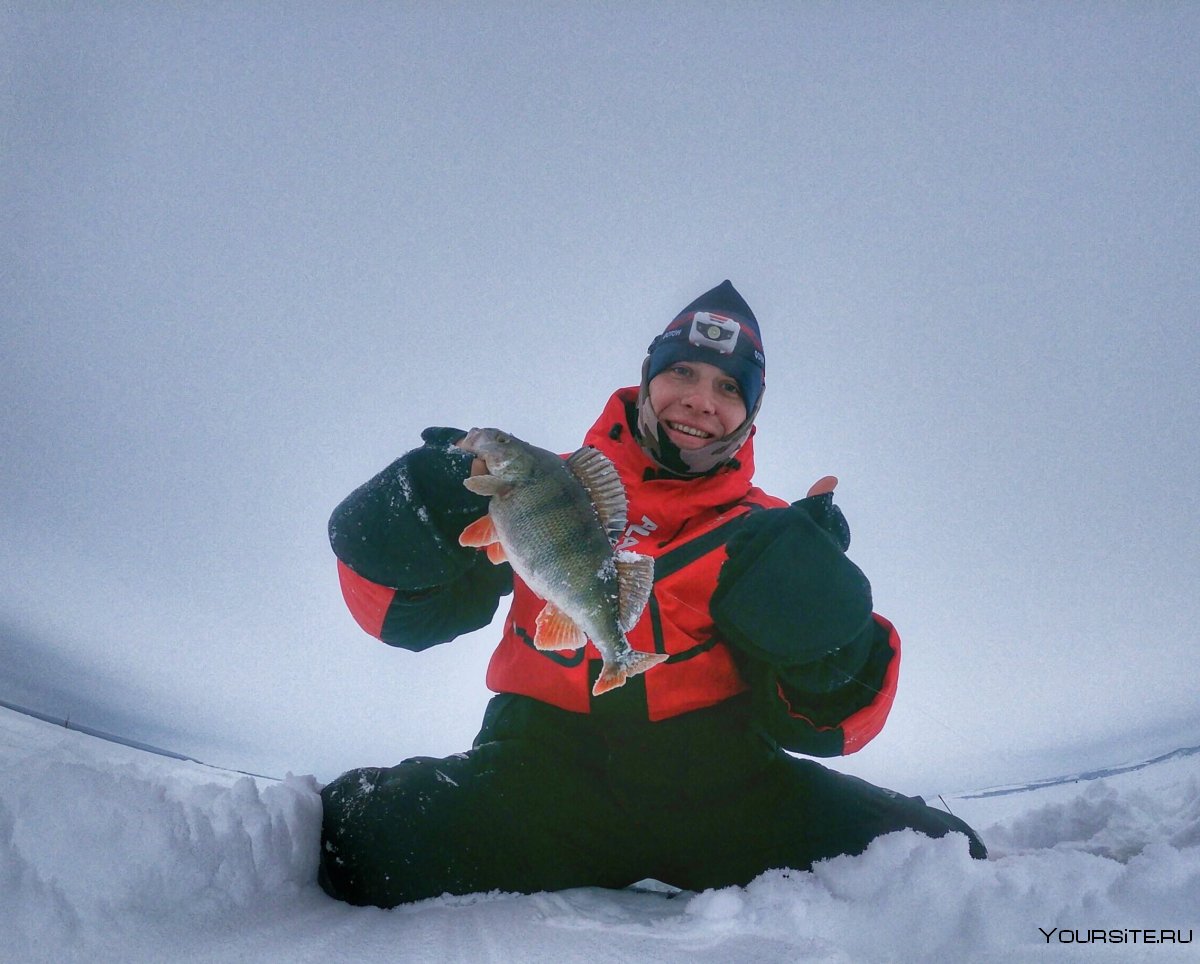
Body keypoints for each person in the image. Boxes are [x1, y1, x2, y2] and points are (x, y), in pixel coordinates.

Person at [319, 280, 986, 907]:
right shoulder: (539, 489)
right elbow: (405, 616)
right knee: (354, 837)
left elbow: (832, 723)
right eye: (682, 373)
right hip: (539, 776)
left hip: (725, 789)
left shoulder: (766, 533)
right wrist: (407, 522)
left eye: (728, 386)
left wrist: (829, 634)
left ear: (749, 414)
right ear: (647, 382)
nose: (701, 398)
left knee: (944, 858)